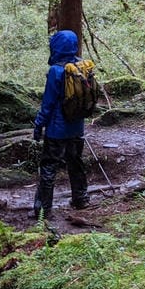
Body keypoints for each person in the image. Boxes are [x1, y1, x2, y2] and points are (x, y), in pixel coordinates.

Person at [32, 29, 90, 220]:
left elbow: (48, 104)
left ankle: (43, 210)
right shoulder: (82, 67)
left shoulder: (56, 71)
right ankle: (81, 198)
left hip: (57, 130)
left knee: (49, 166)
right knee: (75, 162)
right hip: (77, 127)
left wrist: (39, 124)